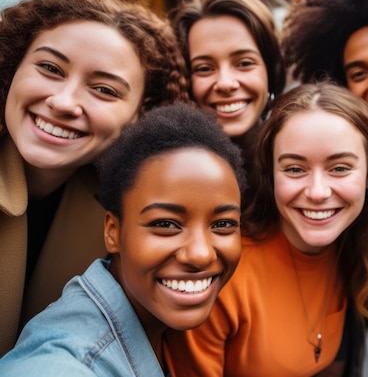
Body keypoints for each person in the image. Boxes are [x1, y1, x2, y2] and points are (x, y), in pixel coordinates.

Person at [166, 82, 368, 376]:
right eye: (295, 169)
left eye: (340, 168)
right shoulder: (221, 276)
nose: (318, 192)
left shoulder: (355, 250)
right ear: (270, 174)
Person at [0, 0, 190, 356]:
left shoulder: (125, 212)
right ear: (12, 67)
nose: (64, 102)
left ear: (140, 116)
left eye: (103, 89)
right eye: (50, 68)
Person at [0, 104, 246, 375]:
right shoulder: (67, 364)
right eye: (165, 224)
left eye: (223, 224)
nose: (201, 254)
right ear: (112, 232)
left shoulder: (163, 326)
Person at [169, 0, 286, 187]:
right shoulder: (167, 170)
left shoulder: (300, 156)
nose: (226, 83)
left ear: (270, 70)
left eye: (244, 63)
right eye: (204, 68)